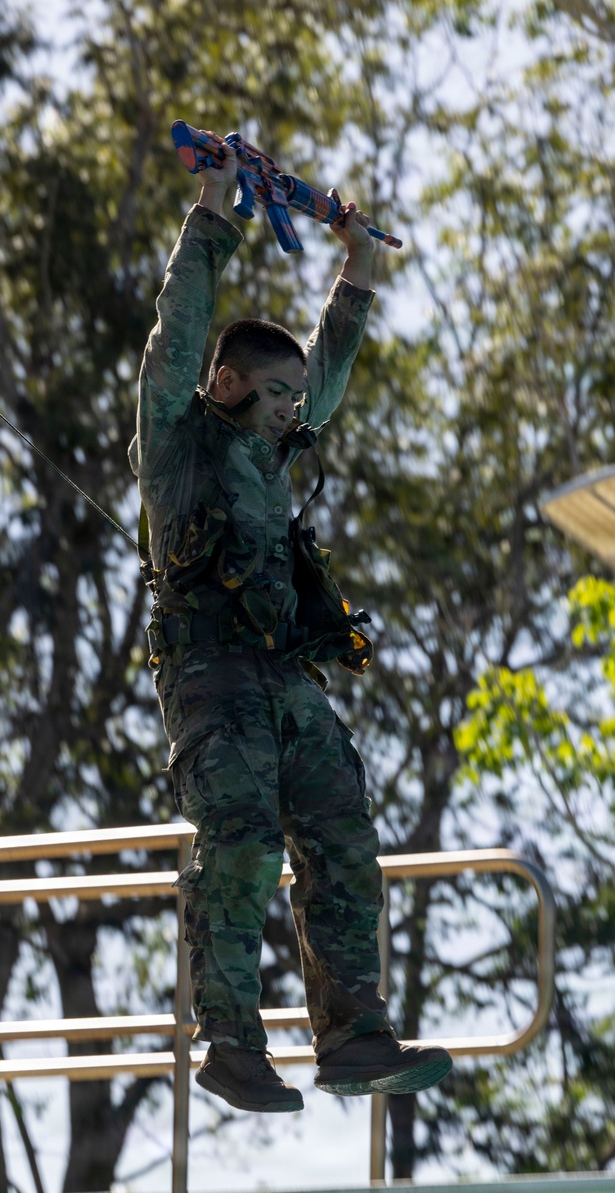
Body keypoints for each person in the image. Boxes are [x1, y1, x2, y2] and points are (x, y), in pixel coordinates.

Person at [130, 133, 451, 1112]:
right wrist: (214, 214)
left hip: (279, 676)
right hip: (210, 680)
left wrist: (355, 269)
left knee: (339, 821)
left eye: (293, 401)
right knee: (242, 835)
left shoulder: (273, 453)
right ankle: (231, 1039)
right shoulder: (179, 437)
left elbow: (335, 376)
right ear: (227, 387)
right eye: (274, 394)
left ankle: (353, 1029)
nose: (288, 413)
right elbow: (177, 334)